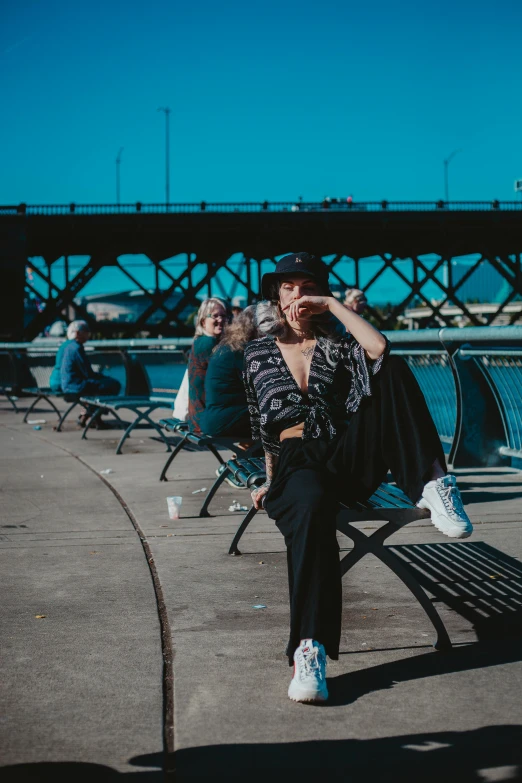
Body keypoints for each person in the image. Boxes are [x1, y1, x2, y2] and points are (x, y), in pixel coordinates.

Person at [243, 252, 472, 705]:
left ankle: (433, 482)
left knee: (392, 366)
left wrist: (332, 306)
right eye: (288, 287)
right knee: (310, 509)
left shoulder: (339, 346)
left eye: (307, 286)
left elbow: (379, 349)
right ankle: (310, 648)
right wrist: (269, 481)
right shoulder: (257, 353)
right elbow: (260, 427)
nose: (297, 295)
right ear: (275, 296)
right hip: (297, 462)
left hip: (344, 457)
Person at [199, 305, 256, 437]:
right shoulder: (240, 351)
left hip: (213, 419)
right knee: (279, 416)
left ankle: (246, 454)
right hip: (223, 422)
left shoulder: (230, 346)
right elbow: (259, 387)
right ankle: (254, 456)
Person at [60, 321, 121, 425]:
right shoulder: (77, 348)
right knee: (113, 385)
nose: (89, 334)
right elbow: (87, 373)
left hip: (69, 386)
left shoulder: (70, 346)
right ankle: (94, 415)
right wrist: (102, 377)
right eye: (86, 331)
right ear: (78, 333)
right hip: (76, 387)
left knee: (102, 385)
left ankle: (89, 414)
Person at [187, 298, 228, 432]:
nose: (220, 319)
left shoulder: (200, 341)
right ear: (203, 321)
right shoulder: (208, 344)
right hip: (205, 420)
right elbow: (227, 378)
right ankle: (245, 451)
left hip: (198, 417)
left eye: (223, 315)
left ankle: (244, 451)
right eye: (215, 316)